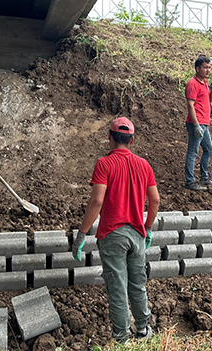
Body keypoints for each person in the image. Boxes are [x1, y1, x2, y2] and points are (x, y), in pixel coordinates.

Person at [72, 117, 160, 344]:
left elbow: (96, 202)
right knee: (137, 285)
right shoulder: (144, 165)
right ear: (131, 141)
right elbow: (155, 200)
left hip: (113, 235)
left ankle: (122, 340)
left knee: (118, 288)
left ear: (109, 137)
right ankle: (143, 330)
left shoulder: (104, 164)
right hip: (137, 236)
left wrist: (82, 234)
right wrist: (148, 228)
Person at [184, 56, 212, 191]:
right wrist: (196, 125)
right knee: (193, 152)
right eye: (205, 67)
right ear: (197, 68)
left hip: (204, 123)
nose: (208, 70)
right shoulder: (192, 84)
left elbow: (207, 102)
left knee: (209, 149)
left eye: (209, 67)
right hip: (196, 123)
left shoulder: (204, 83)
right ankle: (190, 181)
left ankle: (204, 177)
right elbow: (190, 105)